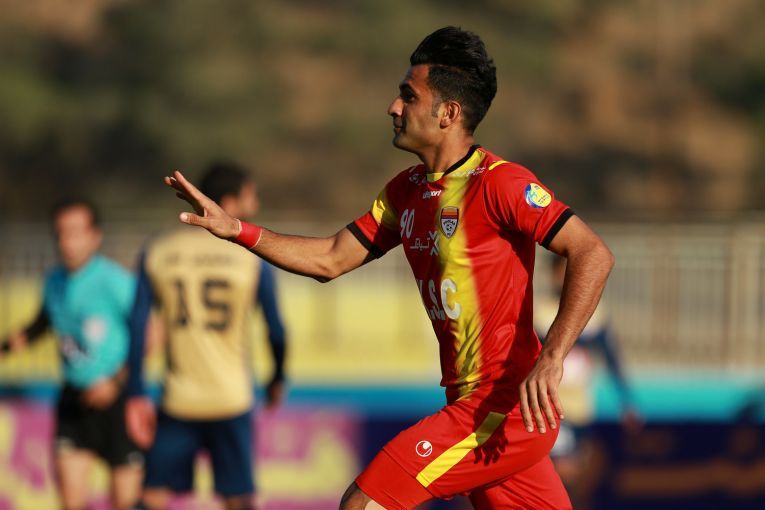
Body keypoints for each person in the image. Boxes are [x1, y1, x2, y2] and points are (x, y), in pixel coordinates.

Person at [164, 26, 614, 510]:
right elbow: (330, 258)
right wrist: (237, 229)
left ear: (448, 113)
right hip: (474, 407)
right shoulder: (406, 191)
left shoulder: (500, 184)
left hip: (501, 408)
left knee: (362, 503)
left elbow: (592, 253)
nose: (393, 107)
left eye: (408, 96)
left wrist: (552, 357)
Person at [125, 161, 287, 510]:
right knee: (238, 497)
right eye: (250, 197)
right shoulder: (250, 256)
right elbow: (275, 328)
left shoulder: (159, 250)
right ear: (227, 201)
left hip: (178, 398)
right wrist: (278, 375)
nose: (255, 205)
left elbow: (137, 324)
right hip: (231, 398)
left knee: (152, 495)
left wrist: (136, 391)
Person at [0, 199, 143, 510]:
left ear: (95, 236)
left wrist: (116, 381)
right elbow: (42, 324)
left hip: (118, 401)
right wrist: (7, 347)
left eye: (76, 233)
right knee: (71, 499)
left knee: (126, 501)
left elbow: (150, 333)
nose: (67, 242)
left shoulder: (114, 281)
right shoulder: (53, 281)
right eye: (61, 233)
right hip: (73, 400)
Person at [535, 254, 641, 508]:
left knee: (577, 477)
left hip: (581, 409)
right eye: (561, 272)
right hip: (550, 408)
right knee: (561, 472)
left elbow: (612, 358)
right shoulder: (540, 313)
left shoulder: (594, 313)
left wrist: (627, 401)